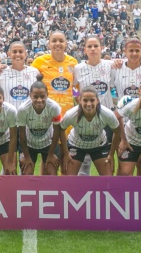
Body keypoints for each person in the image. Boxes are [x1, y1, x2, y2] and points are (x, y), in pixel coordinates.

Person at [73, 36, 115, 175]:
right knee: (85, 157)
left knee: (106, 158)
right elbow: (74, 88)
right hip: (85, 117)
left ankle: (107, 188)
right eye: (89, 46)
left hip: (106, 118)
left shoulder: (111, 65)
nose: (93, 49)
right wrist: (77, 100)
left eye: (95, 46)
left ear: (101, 48)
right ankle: (84, 187)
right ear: (84, 49)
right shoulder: (78, 68)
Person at [59, 90, 123, 176]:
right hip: (76, 145)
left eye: (92, 100)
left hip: (99, 145)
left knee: (108, 179)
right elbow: (61, 129)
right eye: (85, 100)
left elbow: (117, 131)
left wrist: (111, 154)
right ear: (80, 100)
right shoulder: (71, 114)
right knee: (68, 179)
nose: (89, 104)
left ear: (97, 100)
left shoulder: (107, 114)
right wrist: (66, 153)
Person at [16, 77, 65, 175]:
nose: (39, 100)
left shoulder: (54, 107)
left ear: (47, 95)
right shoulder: (23, 109)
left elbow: (57, 131)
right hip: (29, 144)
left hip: (49, 143)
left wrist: (51, 154)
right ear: (30, 95)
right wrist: (27, 156)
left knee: (52, 173)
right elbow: (21, 134)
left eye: (42, 96)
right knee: (27, 172)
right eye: (35, 96)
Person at [30, 30, 78, 111]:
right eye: (54, 41)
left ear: (66, 44)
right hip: (46, 115)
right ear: (49, 44)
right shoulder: (39, 62)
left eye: (61, 41)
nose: (58, 43)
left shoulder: (73, 63)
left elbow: (78, 88)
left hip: (68, 115)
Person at [0, 40, 41, 110]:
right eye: (14, 52)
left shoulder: (35, 72)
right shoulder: (0, 72)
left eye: (20, 52)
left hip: (29, 118)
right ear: (9, 54)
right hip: (8, 118)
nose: (18, 54)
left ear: (25, 54)